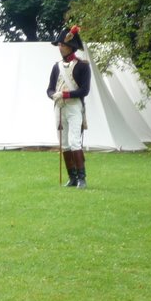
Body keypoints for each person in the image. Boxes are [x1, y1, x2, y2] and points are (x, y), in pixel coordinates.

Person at [47, 25, 92, 188]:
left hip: (74, 107)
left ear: (71, 46)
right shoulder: (56, 66)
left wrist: (65, 94)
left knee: (74, 142)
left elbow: (84, 90)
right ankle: (72, 178)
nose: (60, 47)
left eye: (62, 45)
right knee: (64, 143)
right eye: (59, 45)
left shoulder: (83, 66)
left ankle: (82, 178)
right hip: (59, 107)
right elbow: (49, 88)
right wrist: (54, 95)